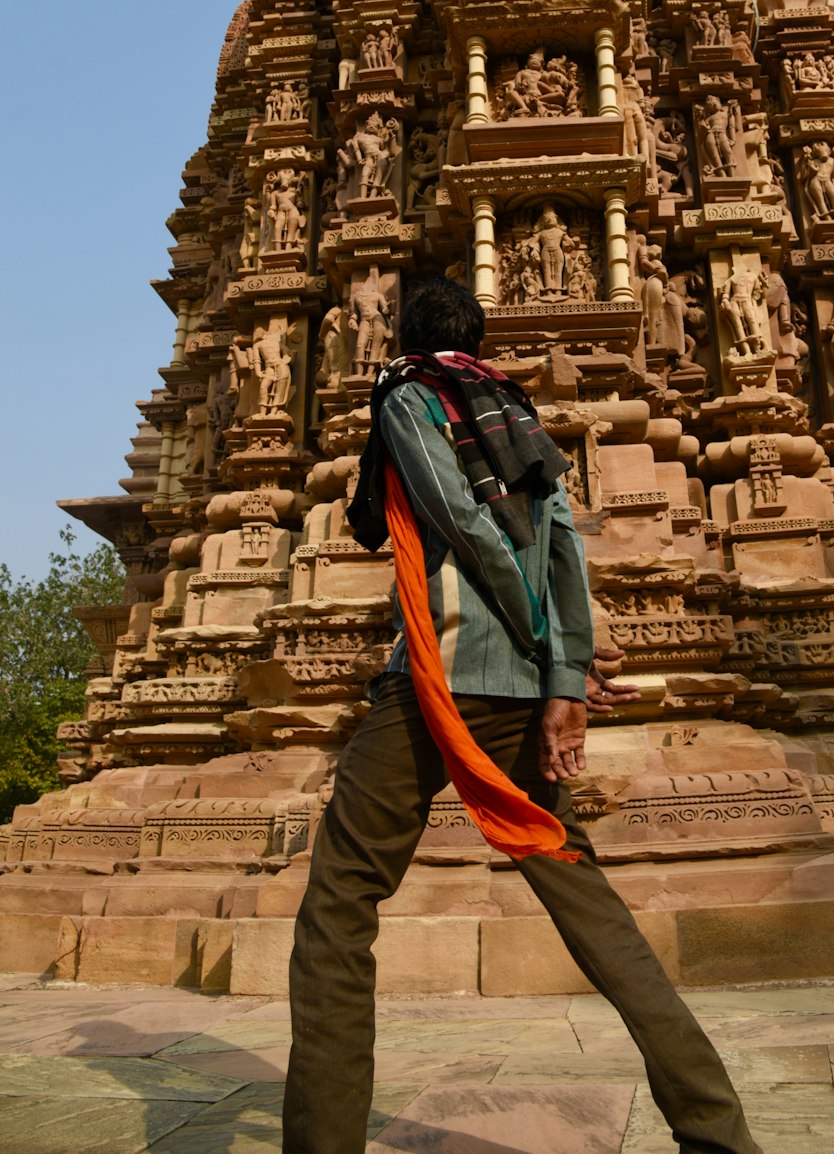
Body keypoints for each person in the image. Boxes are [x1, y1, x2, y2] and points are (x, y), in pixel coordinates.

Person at [282, 277, 761, 1154]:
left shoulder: (409, 395)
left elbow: (458, 519)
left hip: (437, 681)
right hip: (525, 698)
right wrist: (564, 679)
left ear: (407, 339)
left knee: (338, 904)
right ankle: (720, 1137)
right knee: (593, 909)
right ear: (477, 337)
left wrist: (548, 650)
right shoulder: (513, 411)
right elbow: (566, 543)